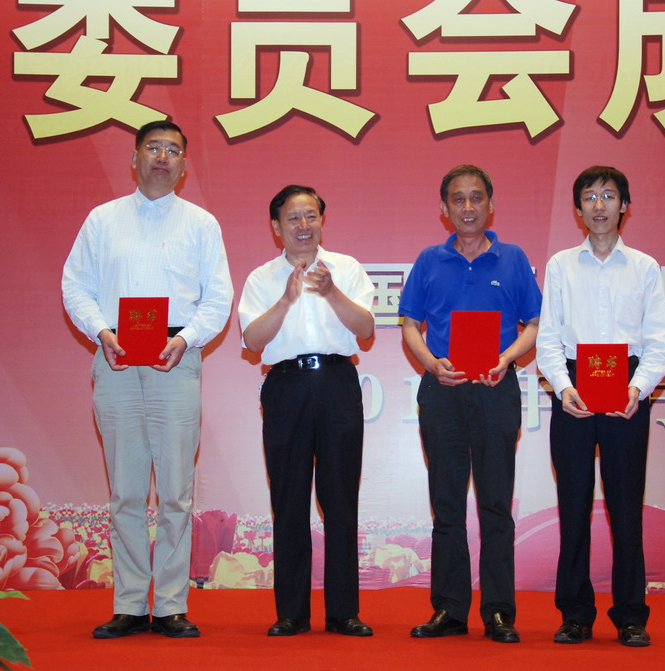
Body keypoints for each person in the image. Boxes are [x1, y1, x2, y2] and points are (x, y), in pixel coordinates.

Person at [62, 120, 233, 639]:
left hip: (175, 359)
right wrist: (100, 331)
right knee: (126, 491)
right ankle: (131, 604)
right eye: (153, 148)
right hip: (115, 358)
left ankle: (172, 605)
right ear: (134, 158)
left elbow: (218, 298)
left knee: (176, 491)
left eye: (173, 150)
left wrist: (188, 339)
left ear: (184, 164)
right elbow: (75, 286)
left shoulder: (201, 224)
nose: (162, 156)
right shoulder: (102, 219)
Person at [399, 165, 541, 644]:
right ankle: (449, 609)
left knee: (496, 502)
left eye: (476, 197)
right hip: (442, 390)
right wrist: (431, 363)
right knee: (447, 503)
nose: (467, 207)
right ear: (444, 209)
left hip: (496, 388)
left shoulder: (513, 258)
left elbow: (534, 323)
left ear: (490, 205)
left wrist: (506, 357)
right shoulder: (429, 260)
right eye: (457, 199)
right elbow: (410, 324)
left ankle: (499, 611)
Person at [535, 166, 665, 647]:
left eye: (609, 196)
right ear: (578, 209)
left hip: (626, 388)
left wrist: (637, 389)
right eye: (590, 197)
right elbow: (548, 337)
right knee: (573, 506)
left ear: (624, 206)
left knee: (625, 508)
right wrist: (561, 386)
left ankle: (631, 615)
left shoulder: (645, 267)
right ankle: (575, 614)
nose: (599, 205)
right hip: (574, 385)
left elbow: (658, 344)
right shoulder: (560, 265)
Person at [238, 185, 375, 638]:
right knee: (289, 500)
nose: (303, 225)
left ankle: (343, 612)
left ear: (321, 221)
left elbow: (366, 329)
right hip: (286, 386)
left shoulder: (346, 269)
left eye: (311, 216)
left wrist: (332, 292)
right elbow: (252, 340)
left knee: (340, 501)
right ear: (276, 227)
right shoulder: (261, 278)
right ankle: (292, 613)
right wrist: (285, 300)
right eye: (293, 218)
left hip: (337, 383)